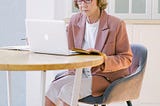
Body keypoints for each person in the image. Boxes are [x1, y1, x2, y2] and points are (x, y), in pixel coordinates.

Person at [45, 0, 133, 105]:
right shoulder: (75, 20)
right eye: (80, 1)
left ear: (99, 2)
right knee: (52, 90)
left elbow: (126, 58)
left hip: (105, 76)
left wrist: (103, 59)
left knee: (68, 92)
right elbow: (65, 44)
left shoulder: (116, 24)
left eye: (88, 0)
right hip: (79, 73)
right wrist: (43, 41)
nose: (83, 5)